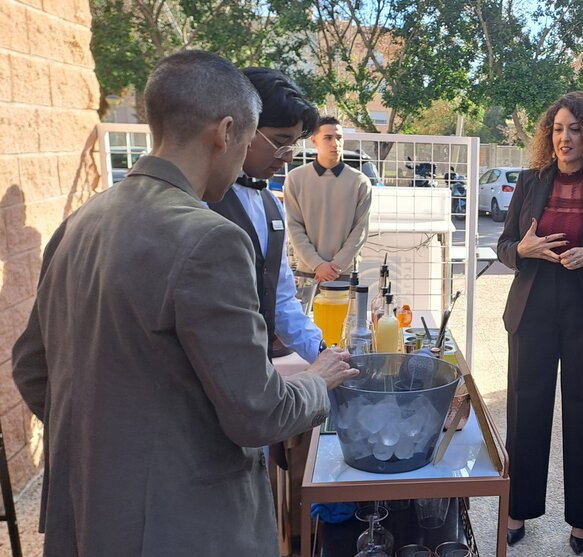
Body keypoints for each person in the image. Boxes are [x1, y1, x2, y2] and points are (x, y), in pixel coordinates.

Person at [10, 51, 358, 556]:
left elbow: (31, 369)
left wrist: (112, 444)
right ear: (226, 131)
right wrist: (317, 381)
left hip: (87, 511)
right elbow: (257, 415)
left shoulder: (79, 222)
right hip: (183, 524)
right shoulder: (209, 239)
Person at [496, 91, 583, 555]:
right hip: (532, 305)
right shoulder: (531, 180)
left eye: (575, 129)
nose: (565, 138)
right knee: (525, 411)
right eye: (557, 129)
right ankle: (517, 508)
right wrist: (522, 251)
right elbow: (505, 244)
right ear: (547, 134)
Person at [208, 67, 323, 362]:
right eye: (280, 140)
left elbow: (282, 298)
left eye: (293, 145)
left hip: (255, 373)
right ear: (240, 128)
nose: (287, 156)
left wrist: (323, 353)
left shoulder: (271, 202)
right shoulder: (200, 201)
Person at [284, 116, 372, 282]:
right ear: (314, 140)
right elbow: (294, 226)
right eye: (328, 138)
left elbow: (360, 230)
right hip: (307, 272)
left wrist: (335, 266)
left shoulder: (360, 182)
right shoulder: (295, 178)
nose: (335, 143)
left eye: (339, 137)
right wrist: (317, 264)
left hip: (343, 273)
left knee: (347, 310)